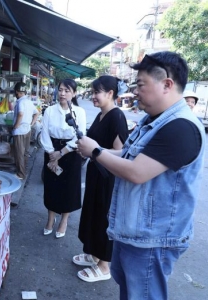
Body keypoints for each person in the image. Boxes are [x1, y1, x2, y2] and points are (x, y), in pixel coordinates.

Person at [76, 51, 205, 299]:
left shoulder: (181, 127)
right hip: (133, 233)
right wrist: (99, 150)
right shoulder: (152, 121)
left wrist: (95, 152)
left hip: (153, 240)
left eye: (141, 84)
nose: (135, 91)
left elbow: (137, 172)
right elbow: (126, 153)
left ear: (167, 84)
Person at [73, 76, 129, 283]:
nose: (93, 96)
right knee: (93, 214)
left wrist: (95, 151)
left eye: (97, 92)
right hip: (95, 173)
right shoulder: (101, 115)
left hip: (108, 177)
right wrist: (86, 151)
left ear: (110, 94)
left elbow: (121, 152)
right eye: (93, 92)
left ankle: (105, 265)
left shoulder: (117, 117)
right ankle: (94, 255)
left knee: (105, 218)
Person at [40, 79, 86, 238]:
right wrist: (52, 153)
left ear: (73, 93)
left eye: (67, 90)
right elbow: (44, 132)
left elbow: (80, 136)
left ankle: (64, 221)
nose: (62, 93)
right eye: (60, 90)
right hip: (51, 151)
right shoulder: (50, 111)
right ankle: (50, 219)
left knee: (68, 189)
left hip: (70, 154)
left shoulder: (79, 112)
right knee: (52, 187)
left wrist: (62, 152)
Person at [12, 82, 39, 180]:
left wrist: (16, 126)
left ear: (17, 92)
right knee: (25, 152)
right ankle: (23, 171)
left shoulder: (20, 102)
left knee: (19, 152)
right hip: (27, 129)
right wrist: (31, 124)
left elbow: (20, 114)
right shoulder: (29, 101)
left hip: (19, 131)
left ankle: (21, 174)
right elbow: (37, 113)